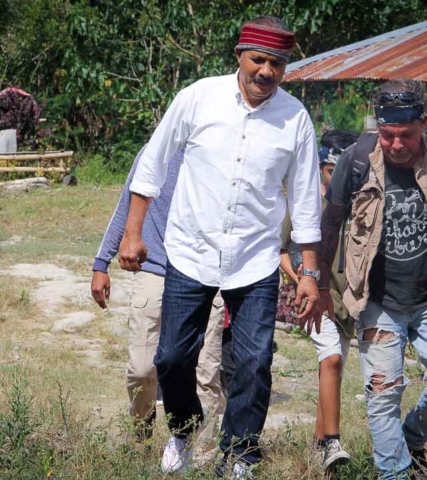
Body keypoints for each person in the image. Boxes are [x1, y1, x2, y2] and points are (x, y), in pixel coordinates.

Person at [118, 16, 322, 477]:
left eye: (277, 63)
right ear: (239, 56)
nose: (266, 71)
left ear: (287, 68)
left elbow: (307, 201)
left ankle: (241, 455)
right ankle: (186, 429)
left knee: (253, 361)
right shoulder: (197, 97)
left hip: (255, 261)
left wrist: (310, 273)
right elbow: (150, 166)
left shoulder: (295, 119)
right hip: (190, 251)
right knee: (170, 356)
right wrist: (132, 234)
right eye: (259, 59)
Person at [318, 79, 427, 480]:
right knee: (383, 394)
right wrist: (320, 283)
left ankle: (412, 437)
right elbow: (332, 220)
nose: (397, 145)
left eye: (407, 136)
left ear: (423, 124)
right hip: (377, 300)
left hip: (426, 296)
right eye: (388, 135)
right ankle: (395, 473)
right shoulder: (357, 158)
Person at [91, 146, 227, 451]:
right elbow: (126, 206)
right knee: (142, 369)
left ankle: (199, 458)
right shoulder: (156, 152)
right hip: (156, 270)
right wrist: (102, 263)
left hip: (206, 275)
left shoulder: (224, 150)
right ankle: (142, 429)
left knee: (205, 374)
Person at [280, 128, 358, 471]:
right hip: (313, 295)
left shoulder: (360, 202)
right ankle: (332, 443)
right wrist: (304, 281)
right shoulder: (306, 200)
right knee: (331, 360)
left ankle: (317, 443)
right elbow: (281, 251)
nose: (339, 179)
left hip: (347, 299)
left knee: (333, 367)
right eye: (332, 172)